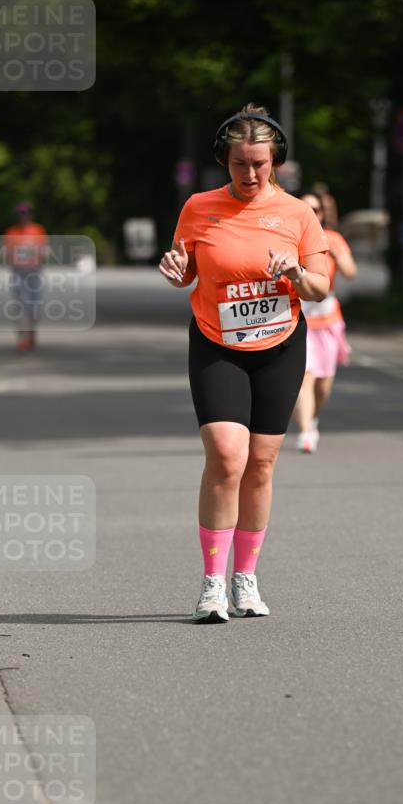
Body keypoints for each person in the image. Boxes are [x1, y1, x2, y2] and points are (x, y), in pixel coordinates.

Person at [159, 104, 330, 623]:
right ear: (224, 162)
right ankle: (212, 585)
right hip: (217, 342)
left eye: (259, 163)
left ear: (275, 159)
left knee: (260, 464)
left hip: (279, 345)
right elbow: (184, 270)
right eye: (239, 164)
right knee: (227, 456)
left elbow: (321, 288)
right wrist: (175, 270)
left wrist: (296, 271)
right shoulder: (198, 207)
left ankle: (245, 578)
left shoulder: (299, 214)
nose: (250, 174)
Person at [293, 191, 357, 453]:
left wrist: (336, 255)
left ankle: (313, 418)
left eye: (316, 210)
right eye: (306, 209)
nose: (312, 214)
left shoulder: (332, 239)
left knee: (324, 384)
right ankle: (306, 432)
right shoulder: (291, 239)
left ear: (322, 213)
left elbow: (350, 273)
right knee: (305, 377)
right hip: (300, 318)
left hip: (328, 319)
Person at [3, 201, 48, 353]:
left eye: (26, 213)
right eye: (21, 214)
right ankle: (22, 338)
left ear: (31, 214)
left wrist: (37, 254)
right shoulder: (11, 232)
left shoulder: (38, 230)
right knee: (20, 305)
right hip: (18, 272)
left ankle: (31, 331)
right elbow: (6, 253)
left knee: (33, 306)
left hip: (34, 272)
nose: (23, 216)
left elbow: (44, 251)